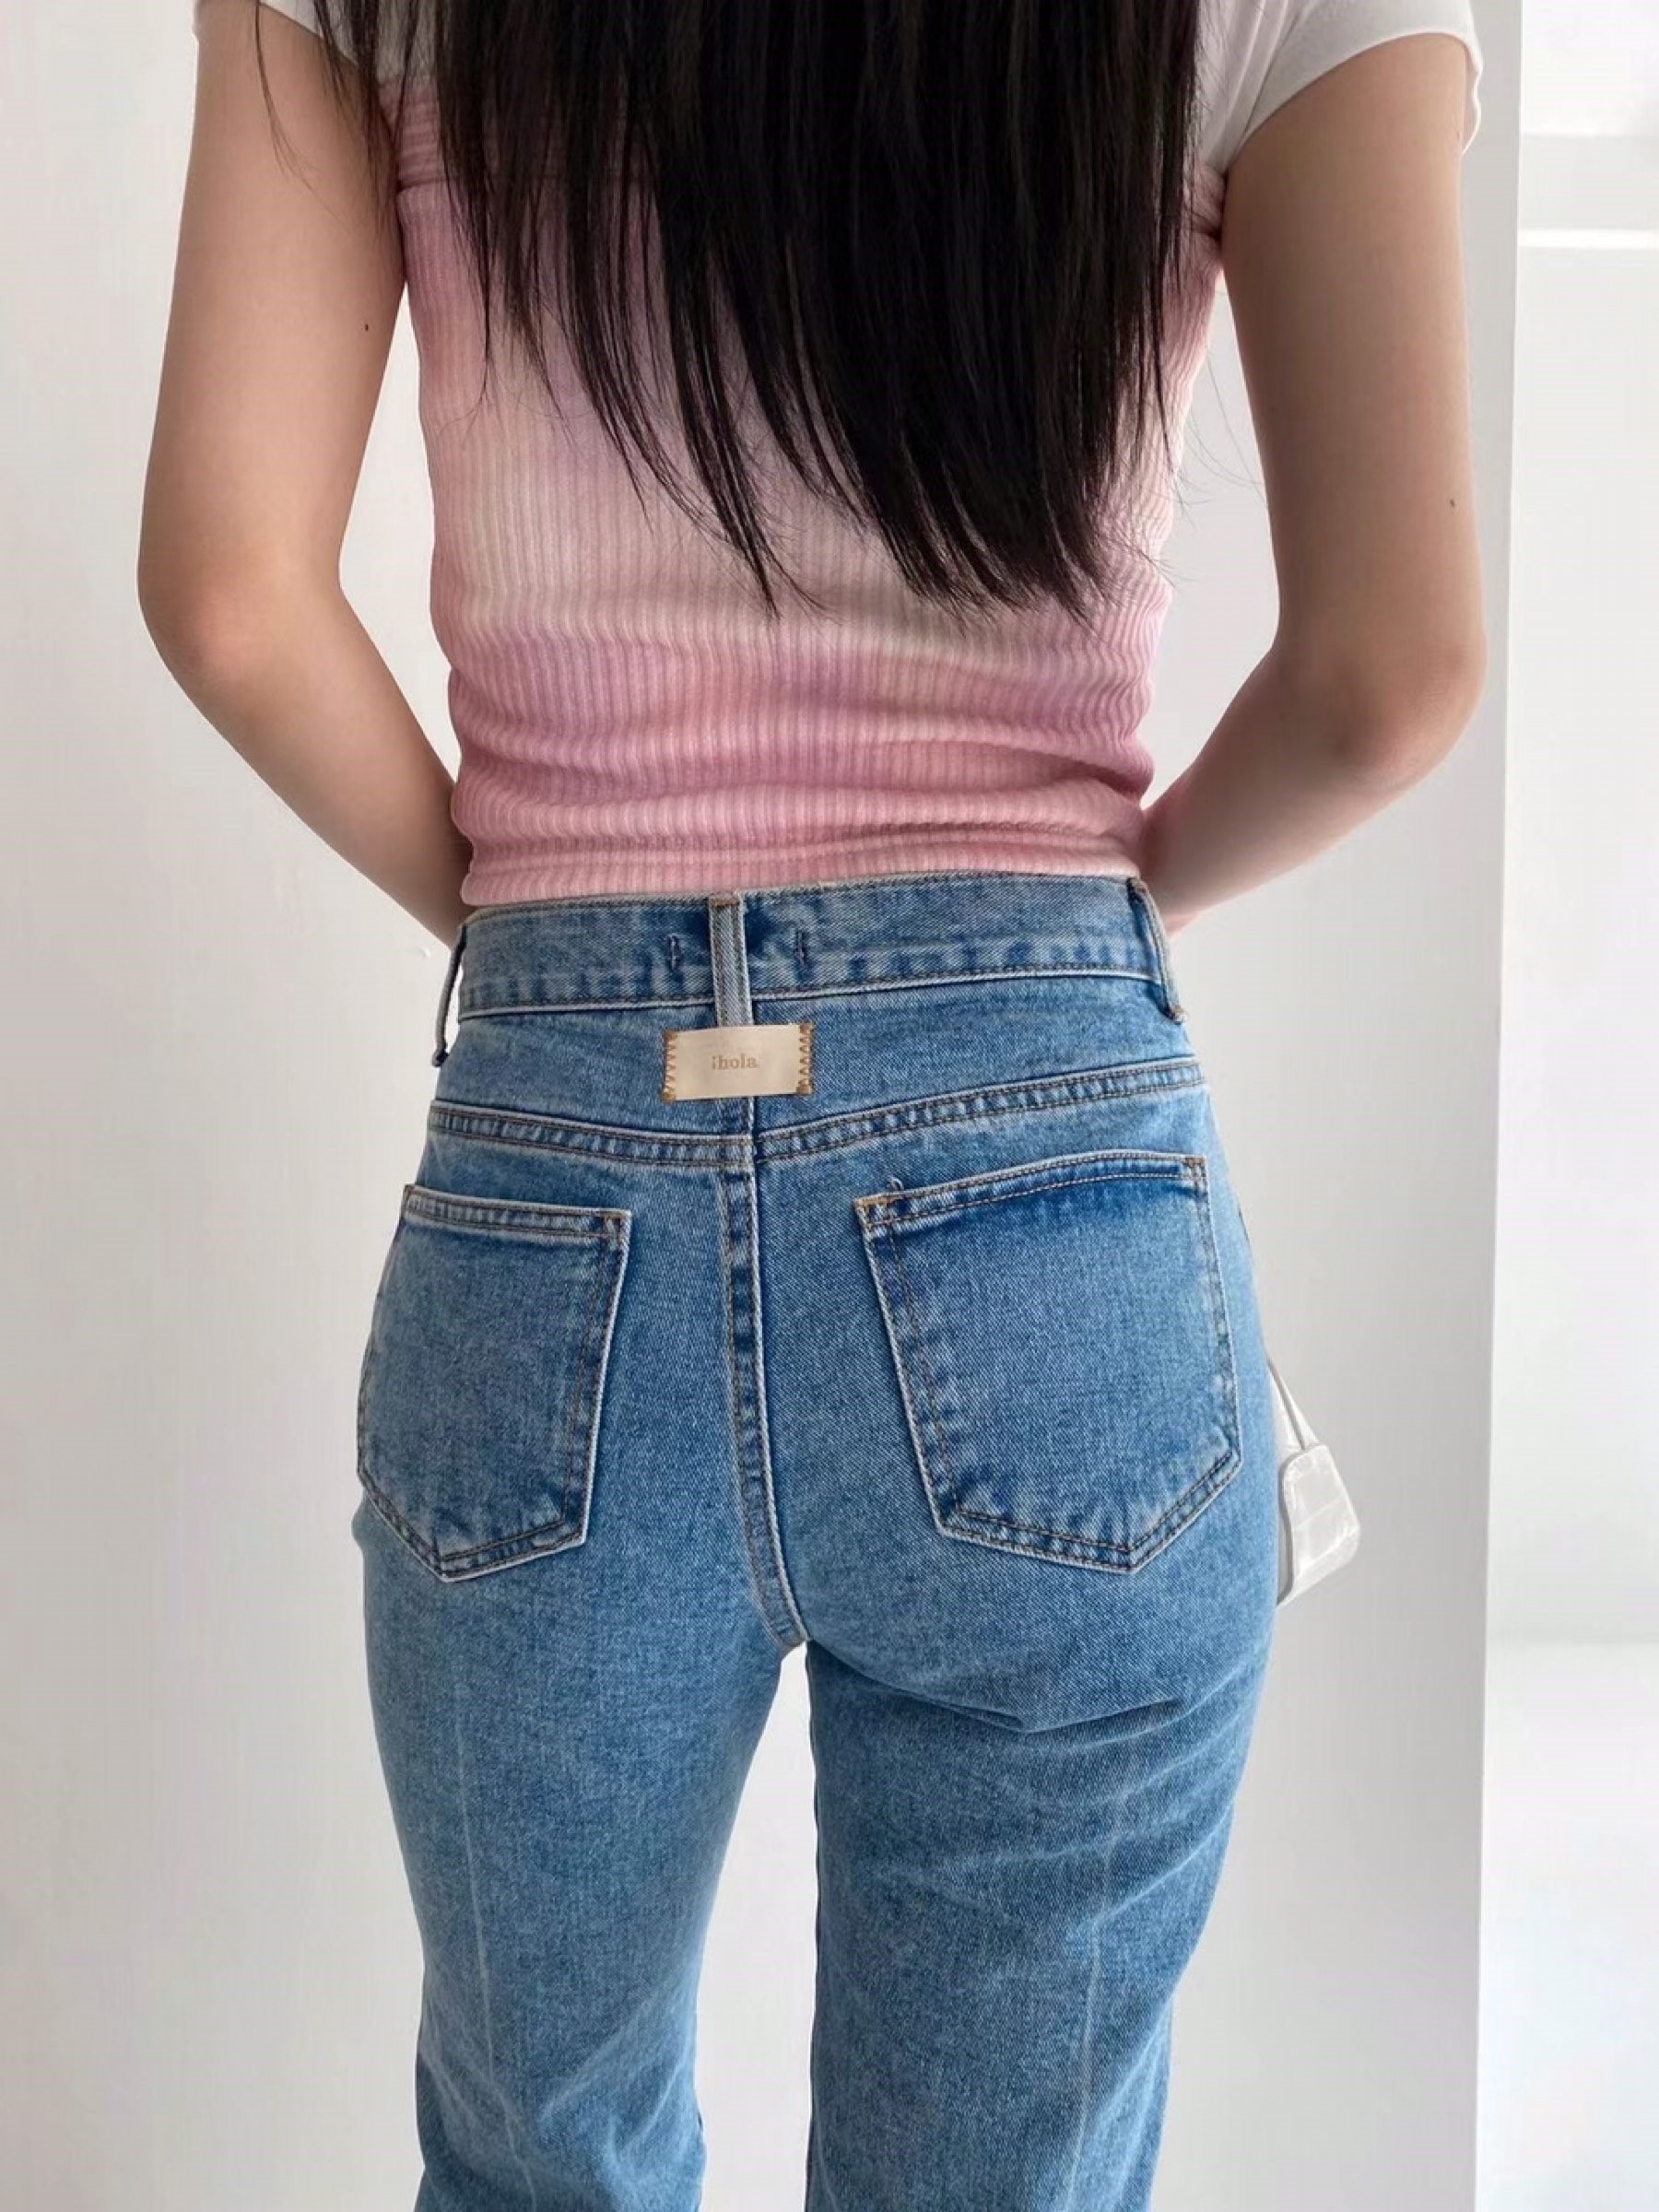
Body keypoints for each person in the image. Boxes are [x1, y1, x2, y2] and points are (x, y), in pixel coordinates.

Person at [140, 4, 1488, 2206]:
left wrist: (538, 939)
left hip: (557, 1186)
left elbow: (228, 596)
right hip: (1058, 1188)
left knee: (543, 2156)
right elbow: (1392, 673)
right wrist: (1069, 937)